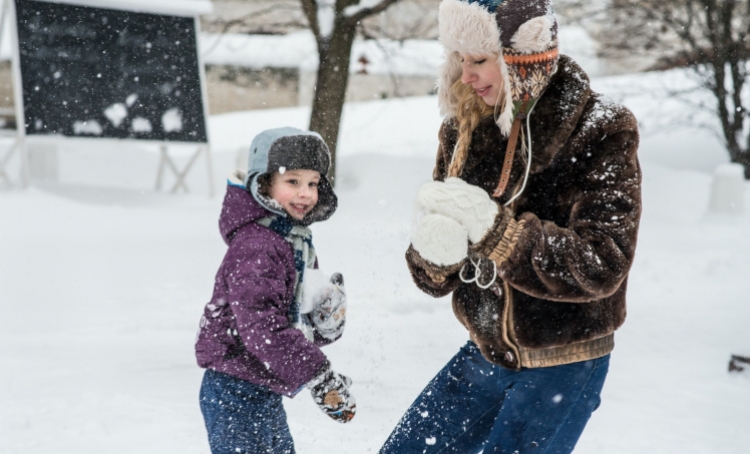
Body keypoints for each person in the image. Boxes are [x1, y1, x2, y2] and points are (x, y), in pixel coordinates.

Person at [380, 0, 642, 453]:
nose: (466, 75)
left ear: (523, 59)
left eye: (480, 61)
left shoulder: (599, 129)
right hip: (485, 352)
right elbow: (434, 276)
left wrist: (501, 236)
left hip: (565, 362)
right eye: (460, 60)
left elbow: (603, 263)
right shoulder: (464, 127)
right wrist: (433, 257)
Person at [195, 127, 356, 454]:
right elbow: (261, 329)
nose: (305, 194)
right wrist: (319, 374)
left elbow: (289, 323)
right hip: (234, 391)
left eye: (313, 183)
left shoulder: (293, 240)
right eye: (293, 182)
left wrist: (323, 324)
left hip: (262, 389)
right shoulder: (258, 246)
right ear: (264, 184)